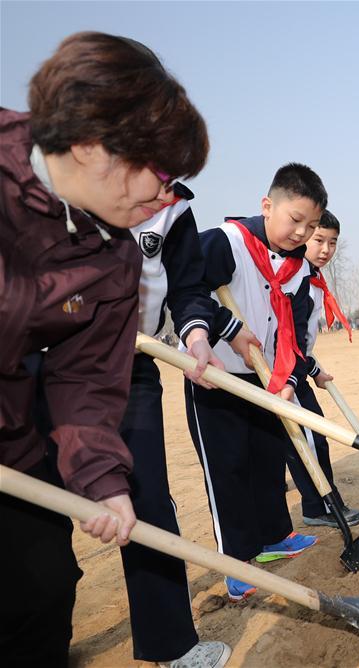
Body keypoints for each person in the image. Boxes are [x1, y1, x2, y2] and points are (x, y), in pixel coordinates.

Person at [0, 32, 211, 666]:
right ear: (95, 144)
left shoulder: (116, 258)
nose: (166, 196)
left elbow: (87, 383)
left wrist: (101, 480)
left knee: (40, 592)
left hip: (12, 443)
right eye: (162, 174)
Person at [185, 163, 326, 602]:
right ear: (267, 206)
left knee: (267, 462)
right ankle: (237, 560)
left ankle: (274, 537)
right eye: (294, 220)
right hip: (218, 378)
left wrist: (289, 378)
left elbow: (296, 331)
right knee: (228, 470)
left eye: (312, 225)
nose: (301, 232)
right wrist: (211, 329)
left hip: (266, 379)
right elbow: (189, 288)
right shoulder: (225, 243)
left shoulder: (298, 269)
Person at [124, 184, 247, 666]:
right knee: (37, 529)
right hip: (40, 362)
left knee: (146, 498)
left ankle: (169, 643)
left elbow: (186, 286)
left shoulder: (173, 205)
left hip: (134, 363)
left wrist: (196, 333)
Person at [284, 209, 359, 529]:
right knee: (310, 437)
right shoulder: (294, 276)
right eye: (319, 240)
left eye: (332, 243)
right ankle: (320, 506)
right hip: (281, 372)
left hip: (296, 367)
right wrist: (298, 372)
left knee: (306, 436)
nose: (325, 250)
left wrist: (313, 367)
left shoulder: (312, 278)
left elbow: (301, 339)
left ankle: (317, 504)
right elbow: (284, 335)